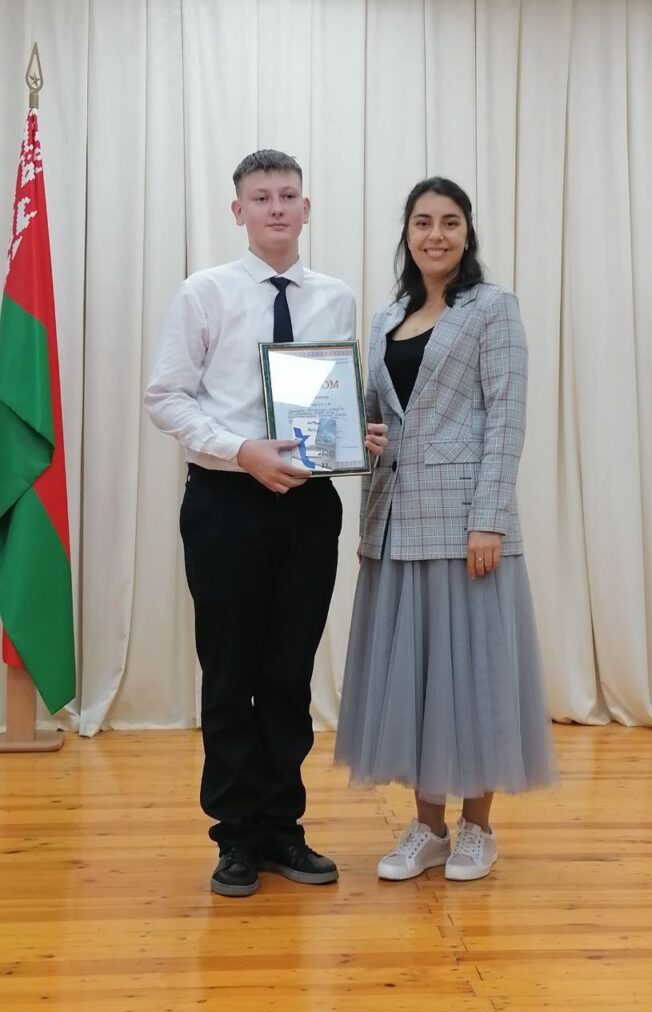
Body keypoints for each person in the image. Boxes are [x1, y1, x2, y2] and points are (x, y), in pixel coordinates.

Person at [145, 149, 387, 897]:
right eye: (261, 197)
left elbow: (333, 395)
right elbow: (166, 397)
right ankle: (235, 836)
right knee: (230, 670)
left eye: (288, 195)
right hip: (226, 502)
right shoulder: (204, 292)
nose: (276, 207)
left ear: (306, 208)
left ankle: (283, 827)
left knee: (289, 671)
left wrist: (357, 434)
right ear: (238, 211)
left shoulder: (337, 297)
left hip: (309, 507)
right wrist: (240, 450)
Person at [335, 176, 555, 882]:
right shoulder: (385, 319)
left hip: (466, 527)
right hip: (396, 524)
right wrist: (357, 440)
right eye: (423, 222)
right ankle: (427, 829)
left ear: (467, 233)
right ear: (406, 233)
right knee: (418, 680)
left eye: (450, 222)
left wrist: (489, 520)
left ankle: (477, 829)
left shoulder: (493, 309)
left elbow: (506, 419)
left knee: (475, 673)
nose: (436, 234)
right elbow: (373, 419)